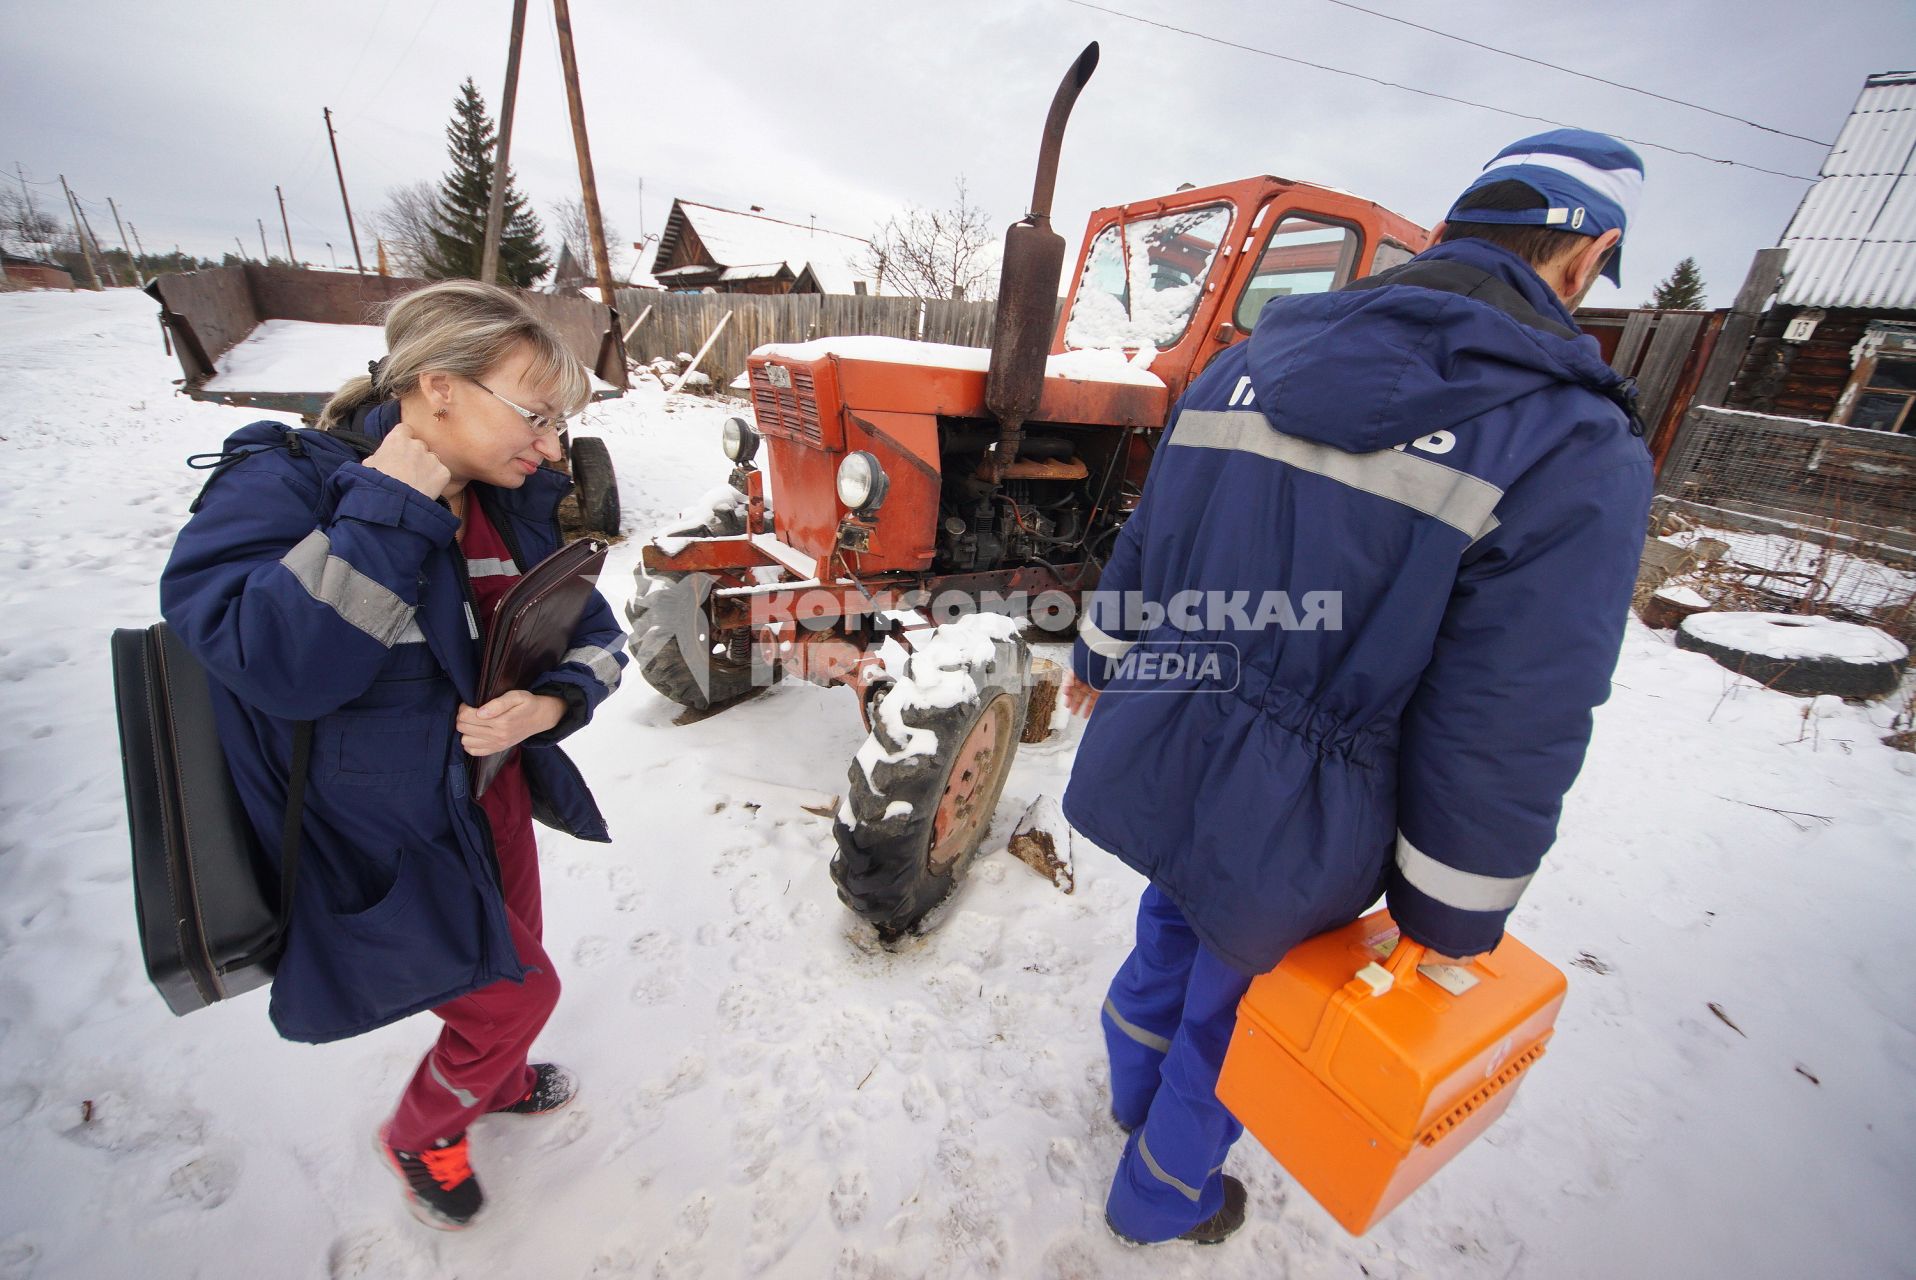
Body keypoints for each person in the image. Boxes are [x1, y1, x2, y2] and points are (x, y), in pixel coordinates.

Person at [1060, 130, 1653, 1244]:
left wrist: (1102, 655)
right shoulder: (1568, 441)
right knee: (1235, 1009)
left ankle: (1127, 1101)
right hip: (1305, 804)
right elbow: (1509, 708)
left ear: (1454, 226)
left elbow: (1150, 532)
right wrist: (1448, 911)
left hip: (1171, 725)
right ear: (1587, 254)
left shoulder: (1248, 360)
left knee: (1167, 929)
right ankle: (1161, 1194)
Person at [160, 280, 628, 1230]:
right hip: (375, 832)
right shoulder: (286, 484)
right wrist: (386, 508)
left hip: (487, 803)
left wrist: (546, 704)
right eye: (536, 417)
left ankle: (487, 1084)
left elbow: (596, 636)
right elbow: (276, 664)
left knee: (506, 974)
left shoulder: (514, 506)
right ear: (442, 386)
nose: (549, 447)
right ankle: (423, 1131)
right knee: (516, 996)